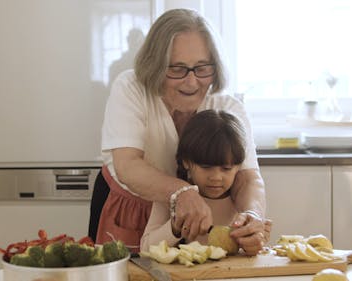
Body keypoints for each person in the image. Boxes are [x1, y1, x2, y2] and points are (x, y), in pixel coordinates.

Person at [89, 8, 269, 254]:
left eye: (202, 68)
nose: (192, 81)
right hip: (129, 209)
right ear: (155, 65)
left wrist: (252, 215)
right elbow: (128, 166)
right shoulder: (131, 88)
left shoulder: (228, 106)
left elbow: (248, 177)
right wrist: (181, 192)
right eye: (177, 68)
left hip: (195, 216)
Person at [141, 109, 272, 255]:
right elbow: (146, 248)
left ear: (239, 166)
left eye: (226, 168)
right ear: (186, 161)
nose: (216, 177)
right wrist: (175, 227)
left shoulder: (242, 201)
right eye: (206, 167)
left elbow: (253, 249)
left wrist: (254, 242)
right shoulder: (172, 196)